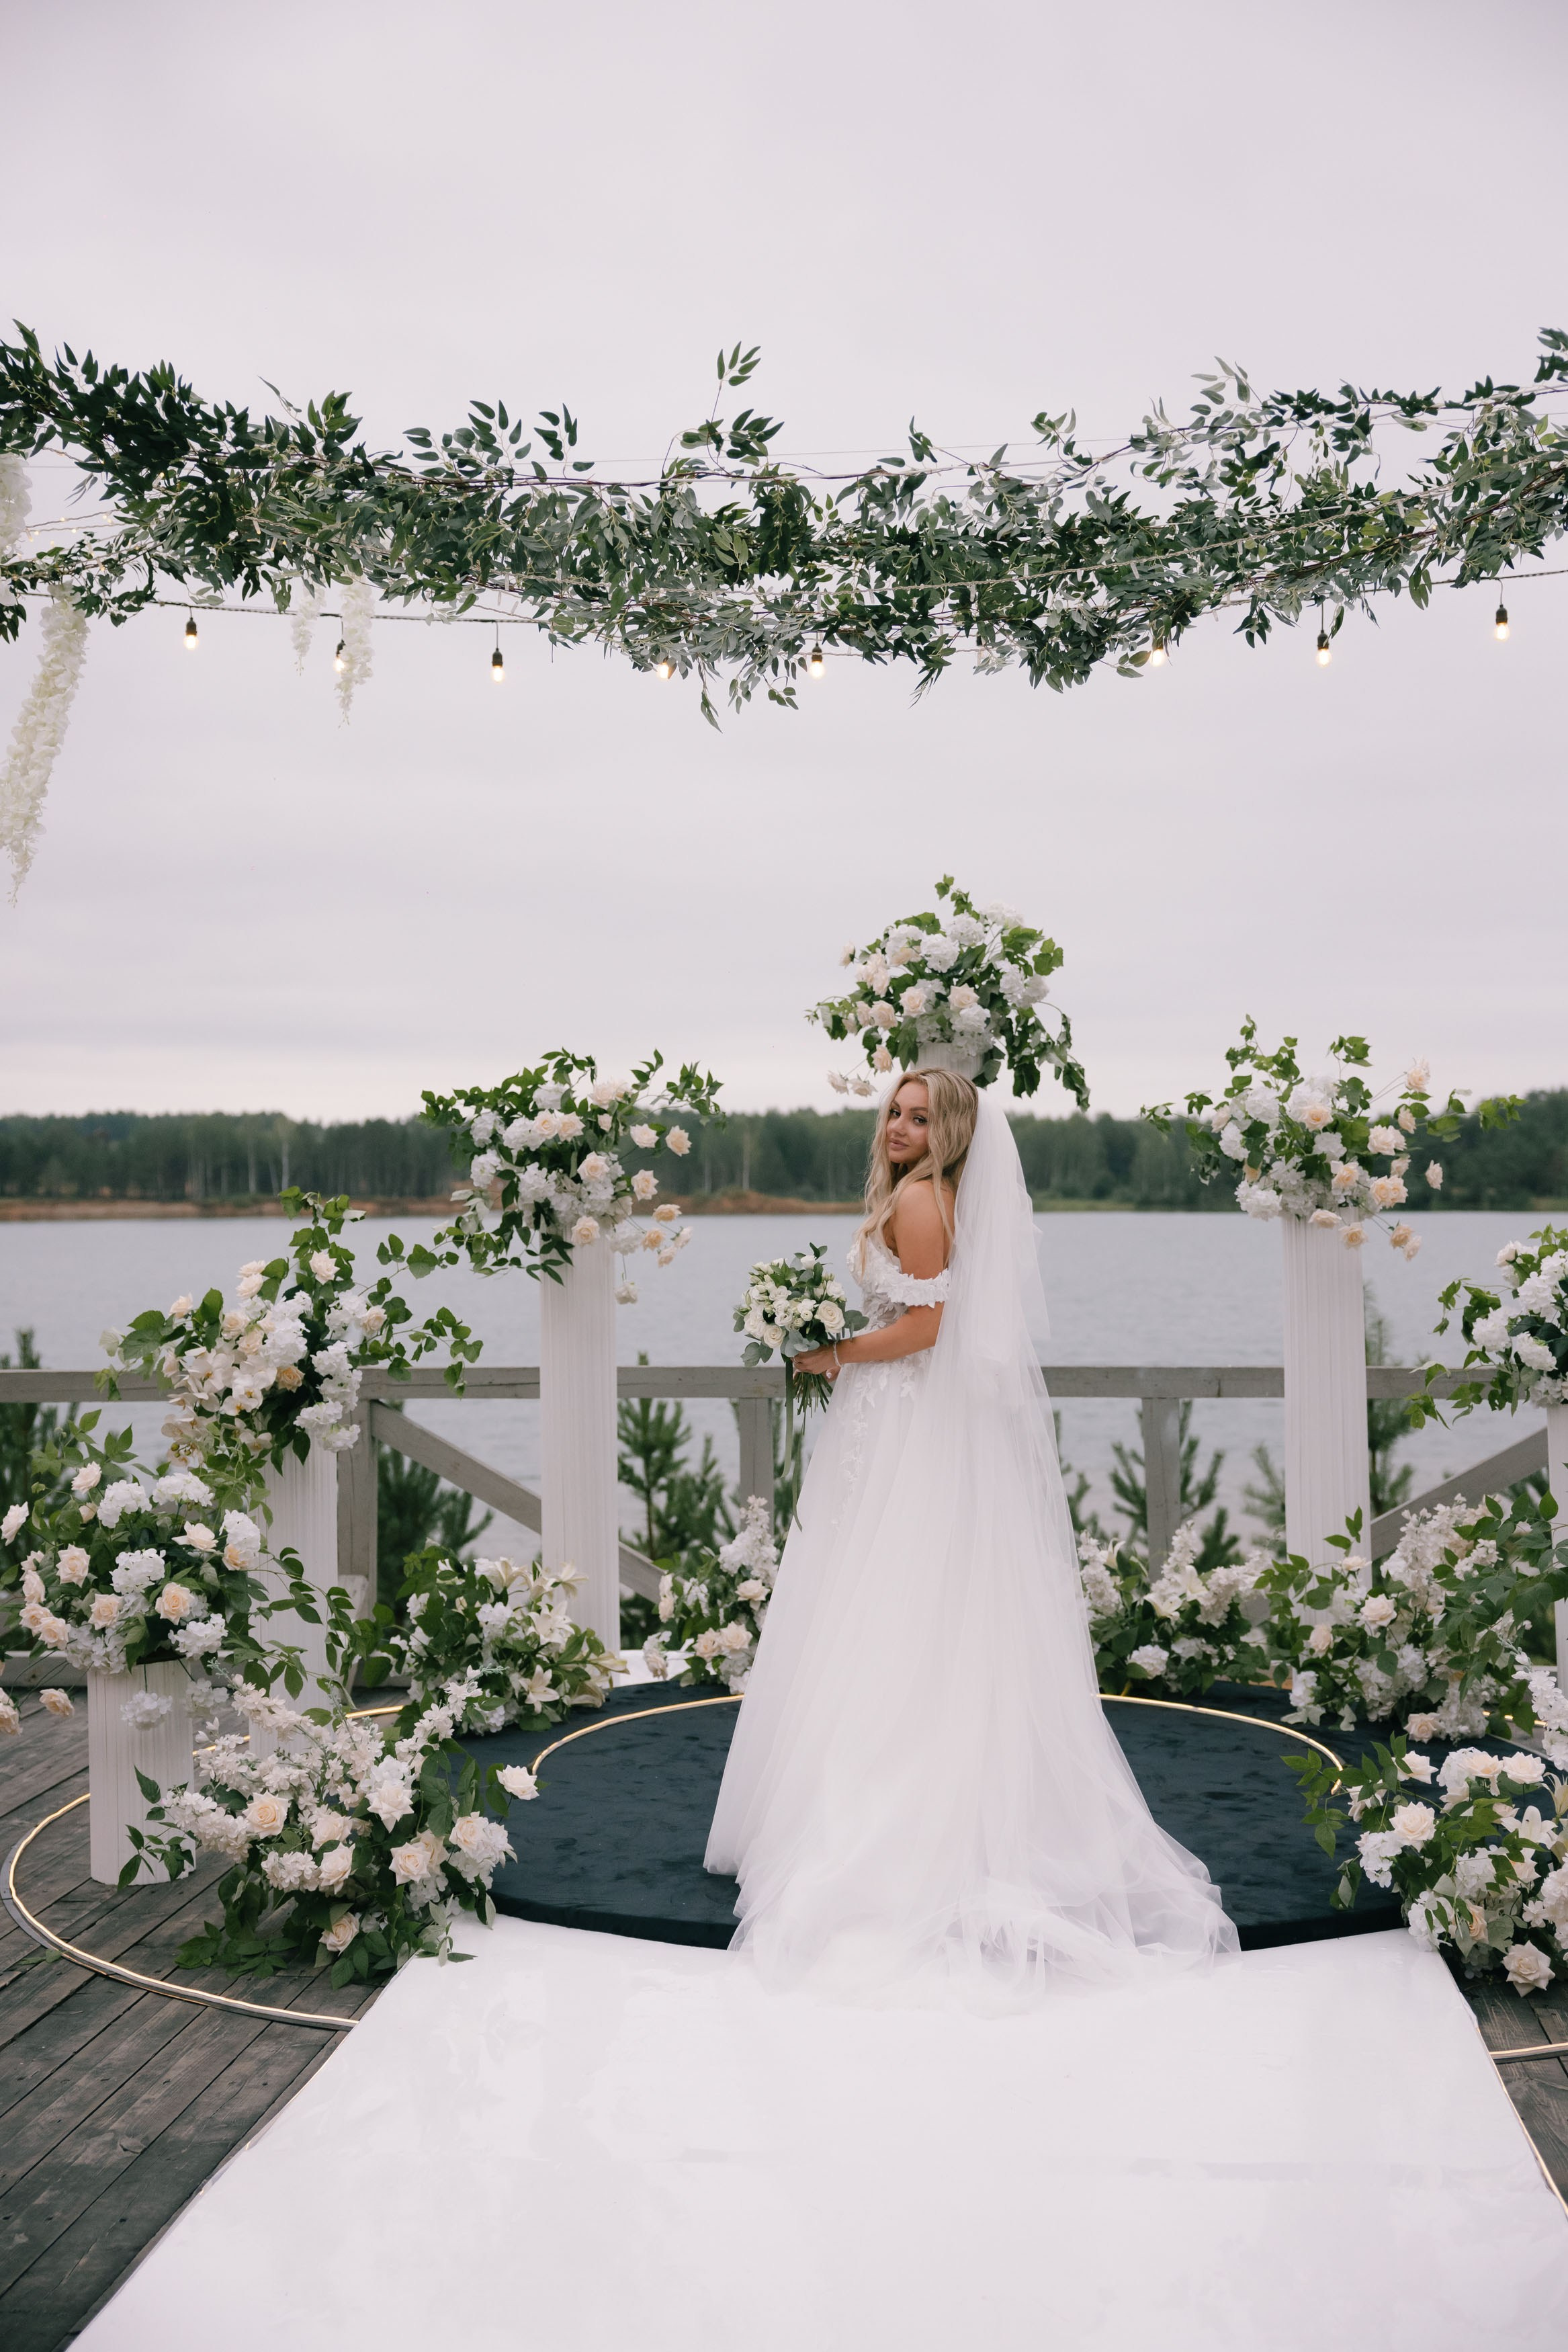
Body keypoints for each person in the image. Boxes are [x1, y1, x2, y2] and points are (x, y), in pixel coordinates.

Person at [705, 1065, 1237, 2002]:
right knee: (910, 1597)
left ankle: (886, 1814)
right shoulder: (938, 1198)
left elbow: (928, 1327)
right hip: (907, 1421)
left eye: (920, 1118)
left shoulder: (918, 1201)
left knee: (885, 1594)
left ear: (950, 1134)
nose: (900, 1128)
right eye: (894, 1113)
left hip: (904, 1417)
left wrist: (828, 1351)